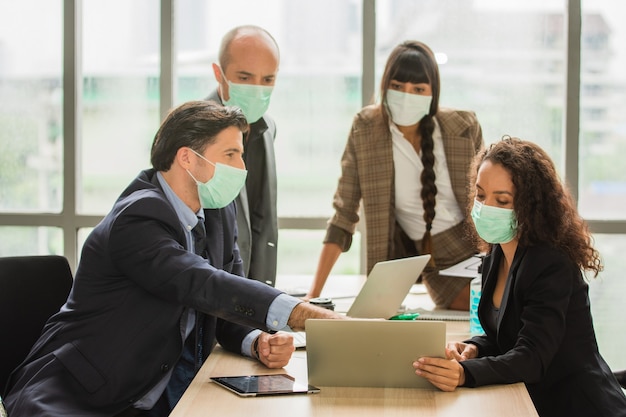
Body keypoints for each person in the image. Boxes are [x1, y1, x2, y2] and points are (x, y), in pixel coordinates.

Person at [2, 101, 341, 417]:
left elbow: (224, 309)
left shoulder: (218, 213)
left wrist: (257, 341)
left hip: (161, 393)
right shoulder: (137, 218)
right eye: (231, 154)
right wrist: (307, 317)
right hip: (80, 396)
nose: (242, 168)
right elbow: (203, 285)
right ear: (187, 158)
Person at [413, 137, 626, 417]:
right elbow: (509, 337)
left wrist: (464, 373)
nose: (486, 207)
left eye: (502, 200)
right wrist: (474, 349)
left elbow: (533, 357)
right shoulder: (497, 253)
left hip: (579, 406)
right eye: (480, 195)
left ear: (530, 206)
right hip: (532, 401)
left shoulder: (551, 263)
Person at [304, 40, 484, 310]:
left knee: (513, 301)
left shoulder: (463, 125)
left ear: (433, 94)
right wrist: (312, 296)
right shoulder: (366, 129)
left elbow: (490, 199)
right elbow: (343, 217)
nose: (406, 95)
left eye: (418, 89)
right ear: (384, 86)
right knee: (482, 307)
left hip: (478, 249)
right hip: (434, 264)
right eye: (397, 87)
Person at [206, 25, 280, 287]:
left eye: (268, 80)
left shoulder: (267, 128)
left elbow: (262, 221)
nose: (257, 90)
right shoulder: (194, 131)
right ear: (219, 74)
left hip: (254, 298)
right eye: (245, 78)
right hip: (210, 291)